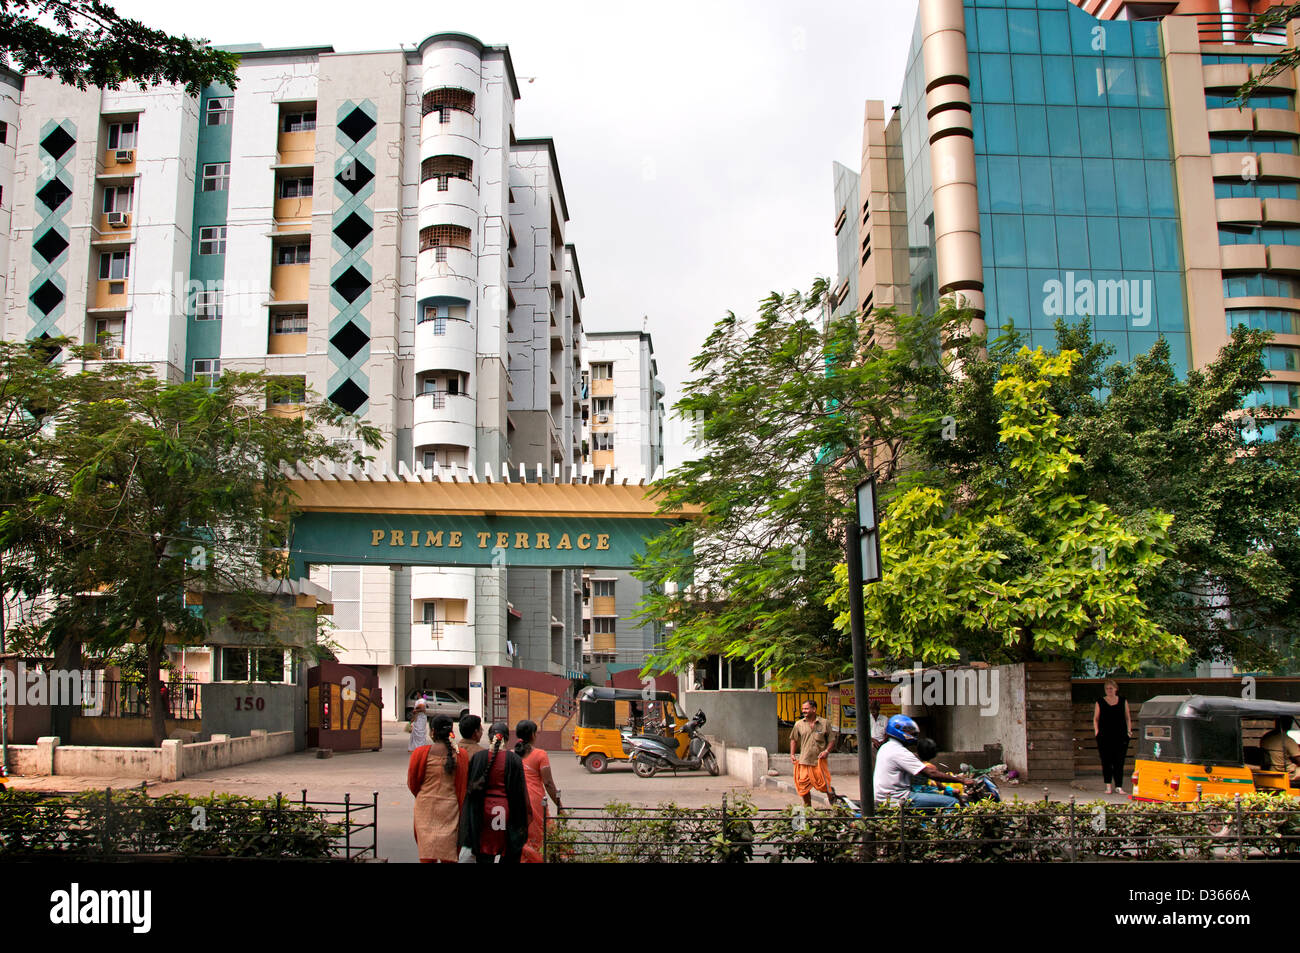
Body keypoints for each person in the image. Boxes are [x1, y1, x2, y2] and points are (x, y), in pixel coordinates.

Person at [460, 721, 530, 863]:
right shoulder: (514, 759)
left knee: (484, 854)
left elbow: (470, 789)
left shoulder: (479, 757)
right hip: (506, 812)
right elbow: (520, 792)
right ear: (506, 739)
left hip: (483, 813)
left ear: (489, 737)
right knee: (508, 851)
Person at [873, 714, 971, 809]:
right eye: (909, 732)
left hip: (885, 797)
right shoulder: (899, 752)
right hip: (899, 798)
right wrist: (962, 780)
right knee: (953, 803)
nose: (912, 735)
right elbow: (931, 774)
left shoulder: (886, 747)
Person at [406, 714, 466, 863]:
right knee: (450, 855)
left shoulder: (419, 753)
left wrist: (424, 795)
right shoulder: (461, 754)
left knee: (427, 855)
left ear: (432, 731)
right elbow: (463, 784)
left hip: (425, 807)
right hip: (451, 808)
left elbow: (412, 783)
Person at [515, 719, 563, 863]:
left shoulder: (511, 754)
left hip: (516, 798)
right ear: (533, 735)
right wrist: (560, 805)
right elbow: (548, 783)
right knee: (541, 832)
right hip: (535, 799)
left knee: (522, 833)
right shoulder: (540, 754)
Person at [790, 699, 836, 807]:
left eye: (806, 709)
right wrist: (792, 754)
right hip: (804, 760)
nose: (804, 711)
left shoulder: (825, 723)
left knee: (825, 786)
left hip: (819, 762)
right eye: (803, 709)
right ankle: (808, 810)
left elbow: (832, 740)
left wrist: (826, 751)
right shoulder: (798, 724)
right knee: (803, 788)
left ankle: (834, 807)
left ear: (814, 709)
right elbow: (793, 739)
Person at [1093, 679, 1132, 795]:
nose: (1109, 691)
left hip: (1120, 735)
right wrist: (1097, 731)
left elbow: (1127, 717)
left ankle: (1119, 786)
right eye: (1107, 689)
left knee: (1119, 761)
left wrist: (1129, 731)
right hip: (1104, 735)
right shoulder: (1100, 701)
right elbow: (1096, 718)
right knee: (1106, 760)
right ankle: (1108, 785)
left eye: (1111, 688)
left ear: (1116, 689)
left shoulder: (1123, 701)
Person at [1260, 717, 1300, 781]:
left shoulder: (1266, 736)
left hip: (1270, 769)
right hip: (1285, 771)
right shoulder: (1287, 740)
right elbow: (1298, 759)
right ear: (1290, 724)